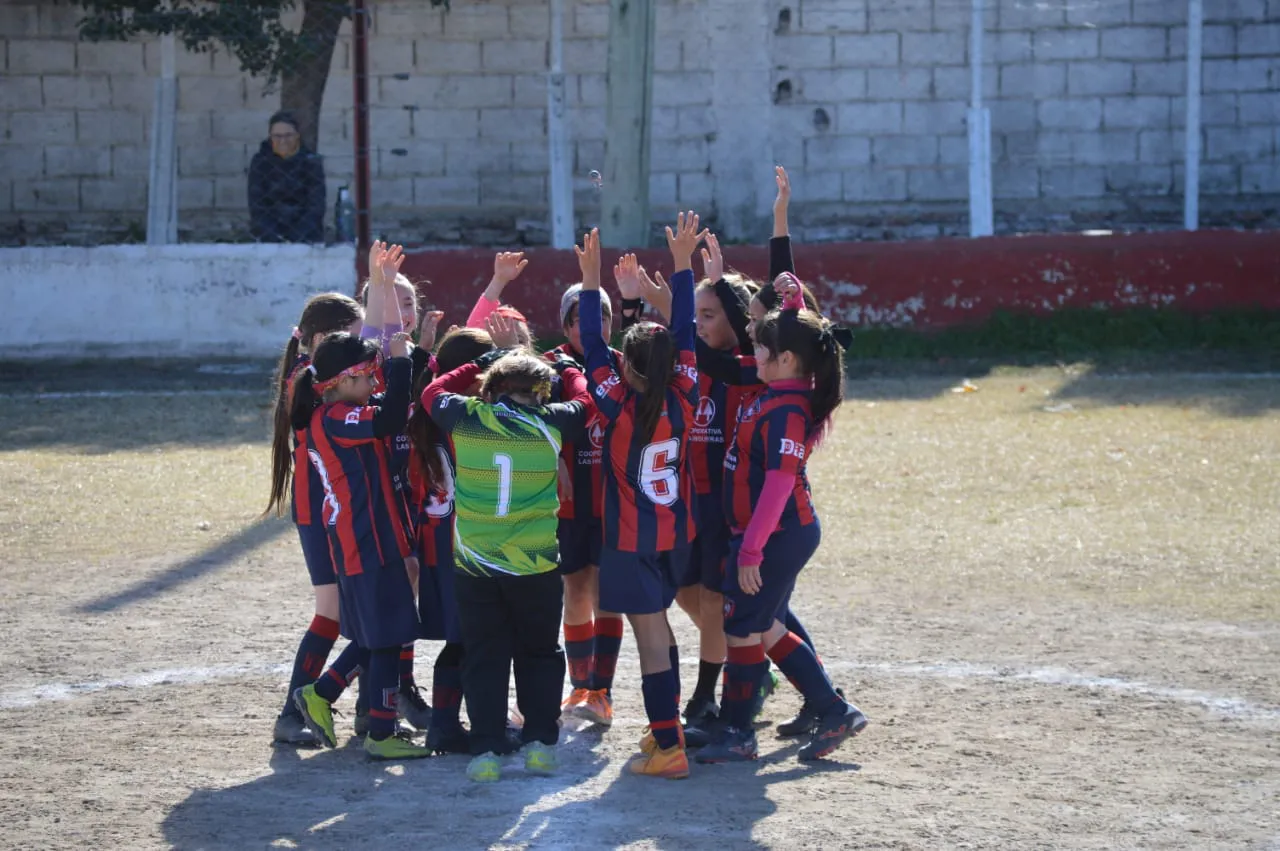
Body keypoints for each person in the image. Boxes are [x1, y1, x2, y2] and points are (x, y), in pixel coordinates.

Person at [697, 280, 868, 765]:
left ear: (788, 360)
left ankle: (739, 730)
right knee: (765, 625)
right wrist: (789, 300)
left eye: (761, 349)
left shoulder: (787, 410)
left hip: (778, 534)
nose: (753, 354)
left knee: (742, 629)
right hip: (767, 532)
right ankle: (831, 709)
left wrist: (751, 550)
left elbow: (776, 487)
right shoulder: (775, 390)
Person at [421, 331, 590, 783]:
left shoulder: (467, 418)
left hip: (476, 564)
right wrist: (570, 370)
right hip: (534, 564)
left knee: (483, 655)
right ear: (541, 393)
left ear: (490, 388)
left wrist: (477, 363)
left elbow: (431, 391)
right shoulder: (553, 424)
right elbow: (586, 401)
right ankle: (539, 743)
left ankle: (487, 749)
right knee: (539, 652)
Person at [577, 217, 701, 780]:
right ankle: (664, 728)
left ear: (626, 366)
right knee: (663, 632)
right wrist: (681, 265)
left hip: (630, 543)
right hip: (676, 537)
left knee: (651, 639)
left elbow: (592, 351)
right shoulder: (687, 395)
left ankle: (670, 746)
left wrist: (589, 280)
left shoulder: (615, 405)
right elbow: (687, 329)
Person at [290, 332, 431, 760]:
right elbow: (388, 419)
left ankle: (326, 692)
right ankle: (379, 731)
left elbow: (392, 407)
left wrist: (416, 355)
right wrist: (403, 362)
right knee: (388, 636)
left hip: (374, 539)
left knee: (382, 634)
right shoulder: (334, 417)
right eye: (368, 375)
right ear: (341, 380)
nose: (375, 383)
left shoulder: (342, 409)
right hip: (364, 543)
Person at [265, 292, 363, 747]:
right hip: (322, 510)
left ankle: (357, 708)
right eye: (353, 337)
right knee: (334, 612)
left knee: (344, 611)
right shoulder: (308, 379)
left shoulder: (305, 372)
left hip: (326, 509)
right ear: (322, 339)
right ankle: (294, 711)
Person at [548, 283, 626, 728]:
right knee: (575, 591)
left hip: (612, 501)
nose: (595, 327)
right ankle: (579, 686)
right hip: (568, 502)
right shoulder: (549, 367)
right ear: (566, 324)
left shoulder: (620, 364)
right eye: (583, 319)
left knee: (605, 592)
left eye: (604, 318)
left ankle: (602, 691)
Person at [248, 110, 325, 243]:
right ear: (270, 137)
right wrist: (273, 236)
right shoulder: (260, 162)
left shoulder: (311, 162)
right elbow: (257, 205)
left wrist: (297, 236)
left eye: (288, 135)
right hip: (269, 234)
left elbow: (316, 205)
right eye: (277, 136)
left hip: (305, 235)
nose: (283, 141)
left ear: (297, 136)